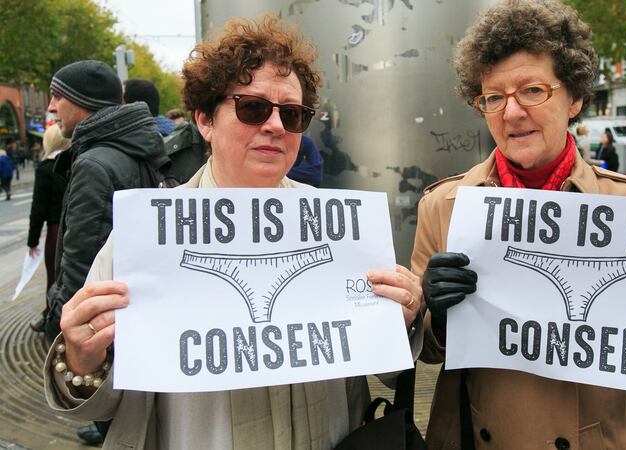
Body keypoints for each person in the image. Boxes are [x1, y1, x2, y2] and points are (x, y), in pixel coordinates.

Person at [44, 15, 423, 449]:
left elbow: (385, 368)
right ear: (205, 119)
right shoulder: (147, 238)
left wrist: (404, 318)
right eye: (253, 108)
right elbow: (101, 405)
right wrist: (80, 359)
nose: (276, 126)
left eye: (293, 114)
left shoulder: (341, 230)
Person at [411, 1, 626, 448]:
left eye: (532, 91)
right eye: (494, 97)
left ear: (575, 97)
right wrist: (438, 316)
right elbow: (426, 350)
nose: (512, 113)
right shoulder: (443, 205)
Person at [45, 60, 170, 446]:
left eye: (57, 97)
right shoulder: (137, 147)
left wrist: (61, 321)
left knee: (113, 414)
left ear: (81, 104)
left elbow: (79, 255)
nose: (51, 108)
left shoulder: (95, 163)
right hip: (133, 309)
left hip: (104, 323)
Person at [27, 125, 70, 332]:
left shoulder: (45, 168)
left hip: (54, 230)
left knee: (53, 277)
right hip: (74, 224)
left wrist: (32, 241)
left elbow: (38, 208)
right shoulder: (75, 161)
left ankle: (50, 317)